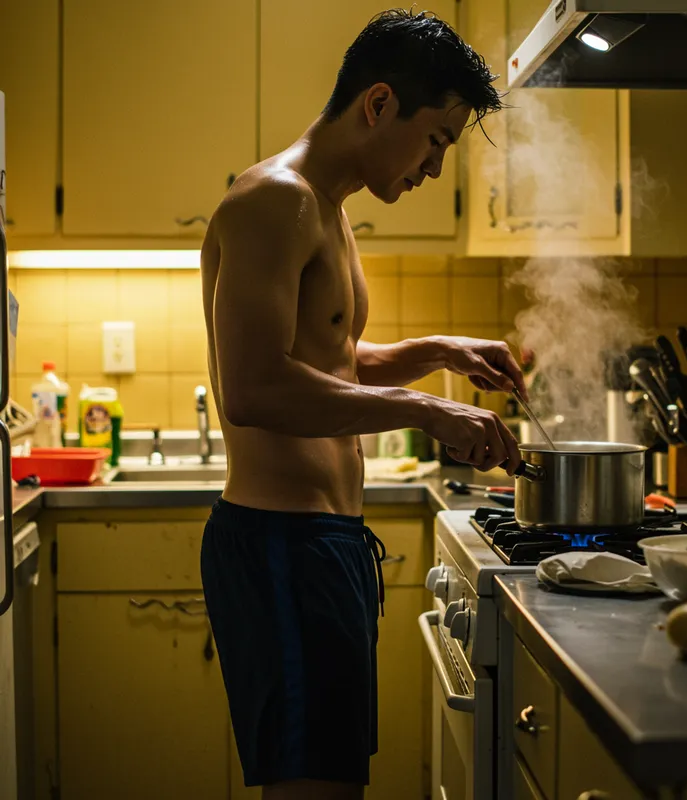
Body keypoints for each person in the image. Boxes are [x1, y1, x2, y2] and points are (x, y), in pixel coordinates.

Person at [199, 9, 526, 800]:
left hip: (327, 546)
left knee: (336, 781)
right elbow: (253, 388)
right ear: (379, 105)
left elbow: (329, 357)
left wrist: (439, 351)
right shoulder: (275, 201)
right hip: (282, 549)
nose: (434, 168)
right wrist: (425, 411)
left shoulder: (329, 206)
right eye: (437, 141)